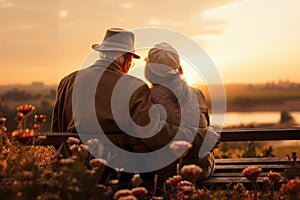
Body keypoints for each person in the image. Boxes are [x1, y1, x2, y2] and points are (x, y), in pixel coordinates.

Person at [51, 28, 192, 186]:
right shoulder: (134, 87)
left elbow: (56, 131)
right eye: (130, 62)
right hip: (115, 174)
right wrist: (188, 134)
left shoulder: (67, 82)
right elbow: (152, 133)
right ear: (126, 59)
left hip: (69, 167)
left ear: (102, 53)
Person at [144, 42, 218, 181]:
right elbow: (206, 125)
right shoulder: (198, 93)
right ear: (178, 69)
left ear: (149, 72)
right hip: (202, 168)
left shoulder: (147, 98)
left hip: (167, 173)